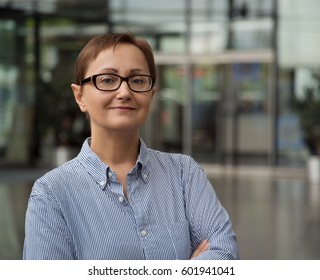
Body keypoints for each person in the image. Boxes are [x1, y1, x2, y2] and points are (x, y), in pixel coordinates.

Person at [23, 33, 239, 260]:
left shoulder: (184, 174)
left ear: (151, 94)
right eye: (107, 80)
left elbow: (224, 253)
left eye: (137, 81)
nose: (125, 92)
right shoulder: (52, 194)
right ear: (80, 96)